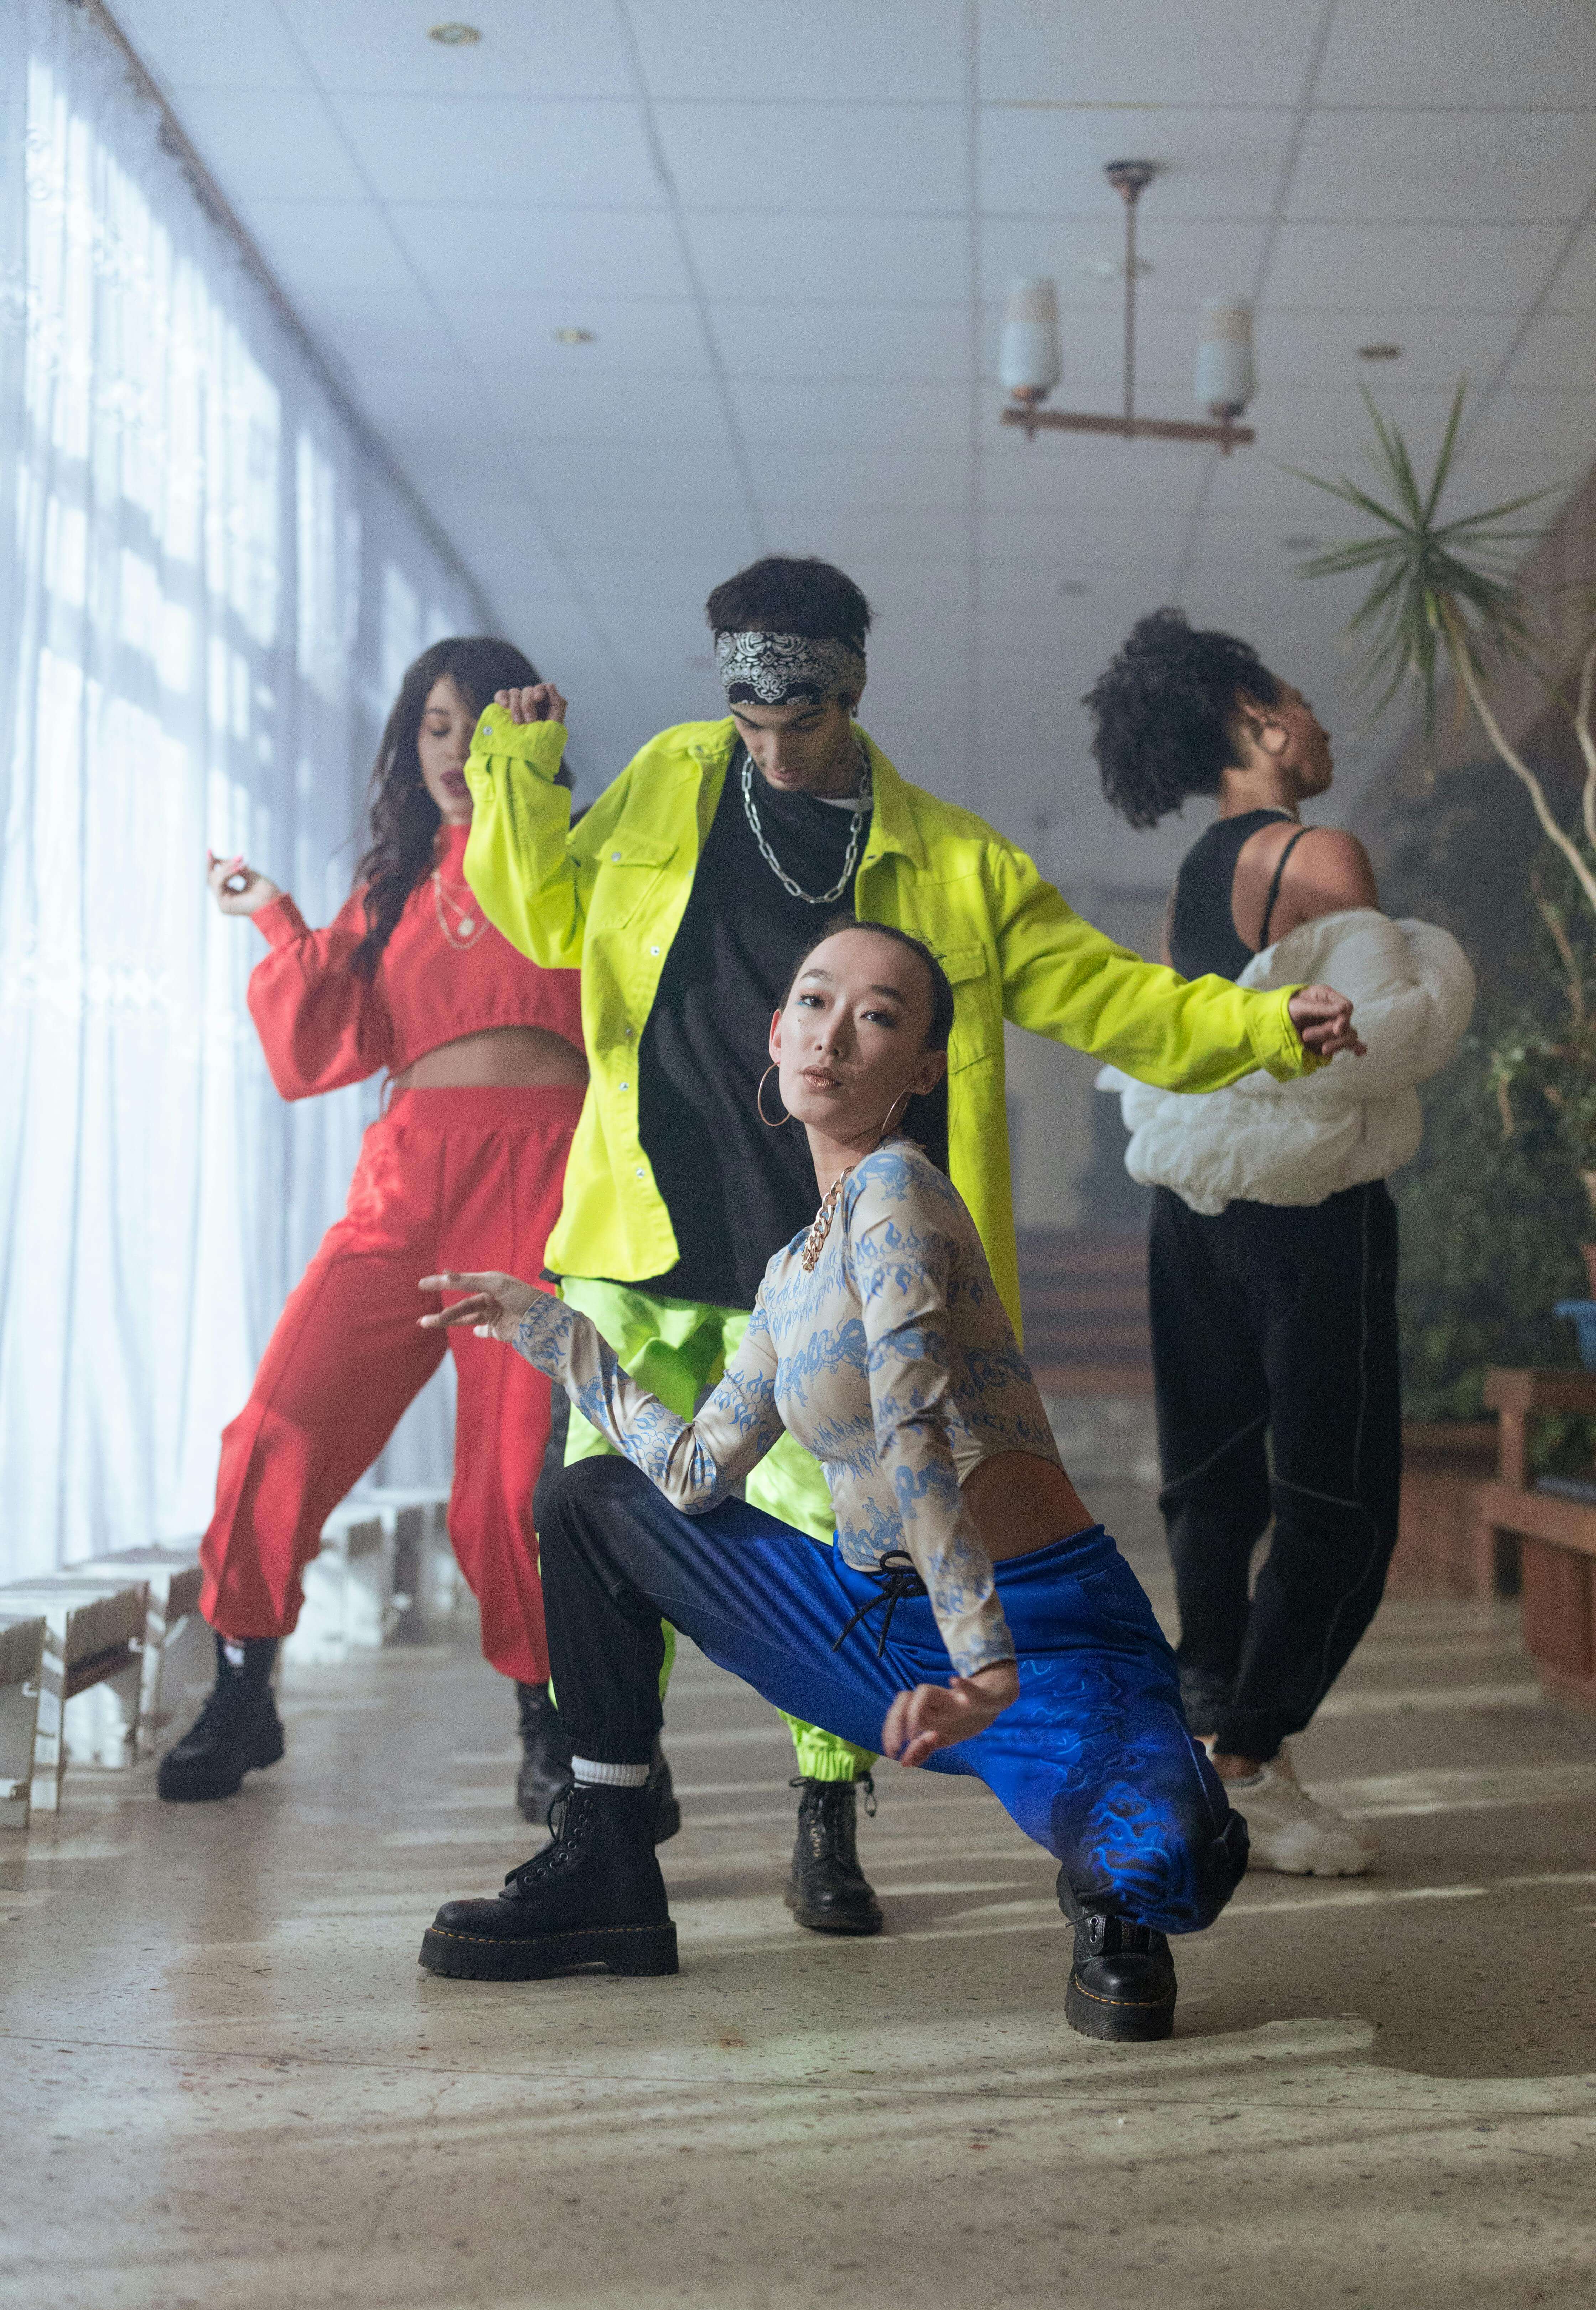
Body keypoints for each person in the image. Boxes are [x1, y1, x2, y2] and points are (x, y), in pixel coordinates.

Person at [461, 555, 1361, 1934]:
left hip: (830, 1272)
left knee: (840, 1535)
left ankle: (828, 1817)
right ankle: (608, 1828)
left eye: (803, 720)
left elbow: (1111, 997)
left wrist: (1256, 1025)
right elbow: (541, 916)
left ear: (856, 689)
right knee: (592, 1519)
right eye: (750, 720)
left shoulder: (955, 865)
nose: (773, 750)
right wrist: (516, 771)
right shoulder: (666, 783)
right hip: (642, 1238)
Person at [413, 919, 1251, 2044]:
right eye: (815, 1003)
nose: (835, 1036)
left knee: (1171, 1865)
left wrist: (985, 1671)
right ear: (776, 1034)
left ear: (924, 1069)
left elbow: (914, 1426)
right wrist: (554, 1332)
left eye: (879, 1016)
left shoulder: (899, 1191)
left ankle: (1114, 1884)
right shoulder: (790, 1272)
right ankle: (608, 1857)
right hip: (872, 1623)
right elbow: (698, 1476)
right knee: (590, 1505)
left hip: (1038, 1632)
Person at [157, 636, 638, 1831]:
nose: (455, 750)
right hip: (409, 1176)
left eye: (479, 724)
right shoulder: (393, 888)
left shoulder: (583, 863)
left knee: (510, 1485)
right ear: (409, 743)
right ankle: (243, 1684)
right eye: (435, 726)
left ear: (523, 736)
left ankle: (548, 1725)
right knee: (277, 1427)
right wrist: (274, 915)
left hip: (543, 1179)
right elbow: (324, 1033)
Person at [1084, 609, 1472, 1875]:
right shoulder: (1321, 852)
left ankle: (1207, 1741)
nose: (1321, 726)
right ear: (1257, 720)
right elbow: (1375, 1043)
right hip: (1311, 1217)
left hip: (1189, 1208)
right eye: (1300, 702)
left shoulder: (1192, 884)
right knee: (1339, 1498)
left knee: (1211, 1482)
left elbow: (1198, 1044)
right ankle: (1253, 1756)